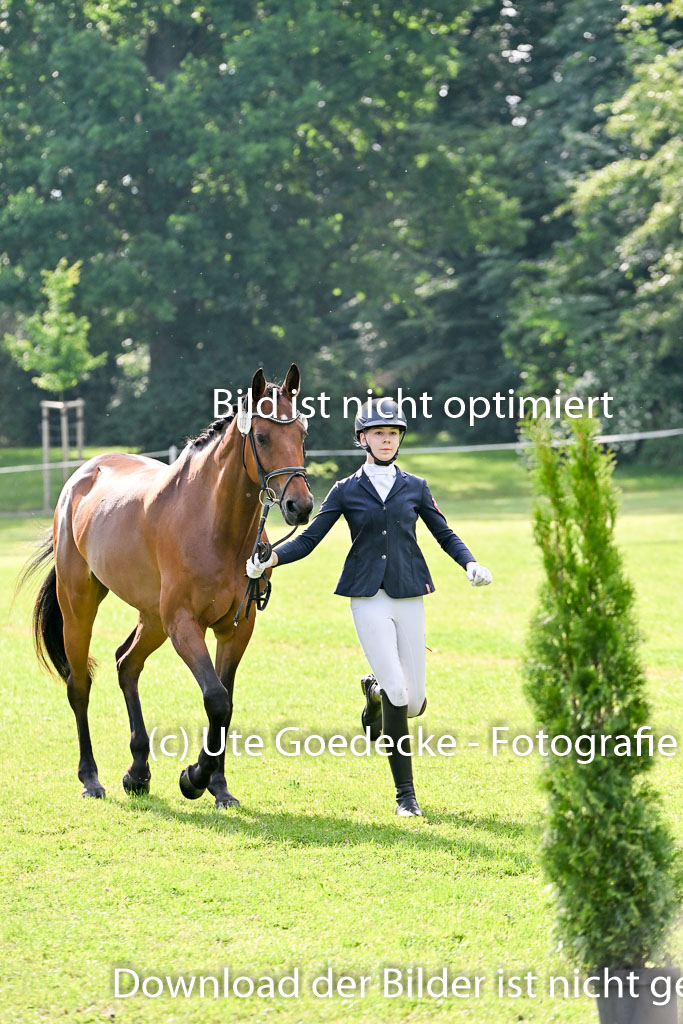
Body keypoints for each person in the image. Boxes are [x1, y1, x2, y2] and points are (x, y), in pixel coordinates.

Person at [246, 399, 492, 817]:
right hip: (366, 598)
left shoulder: (416, 486)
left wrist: (469, 562)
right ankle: (406, 797)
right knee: (399, 692)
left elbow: (444, 532)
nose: (386, 440)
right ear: (362, 438)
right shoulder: (345, 490)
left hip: (409, 593)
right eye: (379, 433)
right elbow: (310, 540)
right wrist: (271, 559)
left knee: (413, 703)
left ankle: (374, 691)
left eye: (393, 434)